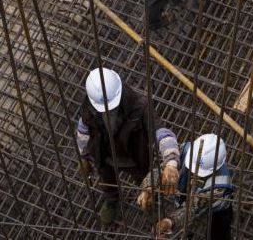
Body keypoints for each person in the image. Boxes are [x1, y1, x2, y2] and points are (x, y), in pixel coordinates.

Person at [76, 67, 180, 226]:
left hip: (135, 156)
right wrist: (84, 156)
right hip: (105, 155)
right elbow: (83, 131)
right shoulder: (89, 108)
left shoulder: (140, 106)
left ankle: (152, 204)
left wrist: (171, 162)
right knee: (106, 179)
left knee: (146, 182)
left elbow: (161, 132)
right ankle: (112, 199)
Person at [139, 134, 235, 240]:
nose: (194, 172)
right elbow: (161, 169)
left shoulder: (219, 185)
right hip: (188, 192)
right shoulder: (188, 150)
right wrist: (148, 186)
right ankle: (187, 233)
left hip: (216, 209)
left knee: (218, 232)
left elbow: (192, 208)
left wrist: (169, 221)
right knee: (186, 218)